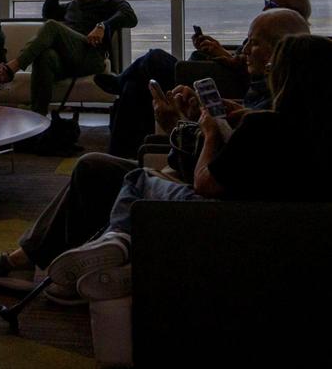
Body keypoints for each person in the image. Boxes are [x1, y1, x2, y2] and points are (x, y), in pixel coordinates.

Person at [0, 7, 311, 303]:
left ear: (279, 54)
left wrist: (179, 127)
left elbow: (208, 174)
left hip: (214, 213)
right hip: (218, 196)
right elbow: (231, 159)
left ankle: (73, 255)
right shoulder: (281, 103)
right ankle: (38, 259)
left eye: (255, 42)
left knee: (97, 167)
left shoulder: (269, 117)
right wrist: (191, 122)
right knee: (96, 159)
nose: (245, 49)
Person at [47, 32, 332, 298]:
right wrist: (242, 118)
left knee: (136, 179)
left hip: (223, 221)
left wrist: (208, 132)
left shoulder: (264, 127)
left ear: (286, 78)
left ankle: (118, 242)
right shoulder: (310, 130)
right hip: (279, 236)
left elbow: (205, 184)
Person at [96, 0, 311, 157]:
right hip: (217, 80)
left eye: (270, 4)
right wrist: (219, 50)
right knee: (134, 88)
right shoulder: (278, 49)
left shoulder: (280, 64)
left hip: (217, 79)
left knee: (154, 58)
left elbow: (249, 73)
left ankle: (119, 87)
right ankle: (123, 152)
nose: (265, 7)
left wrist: (175, 126)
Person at [0, 0, 138, 115]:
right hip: (68, 59)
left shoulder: (109, 3)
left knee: (52, 26)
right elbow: (49, 13)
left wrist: (103, 26)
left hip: (90, 56)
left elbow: (130, 17)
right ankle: (38, 116)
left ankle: (8, 70)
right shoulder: (73, 6)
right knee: (45, 55)